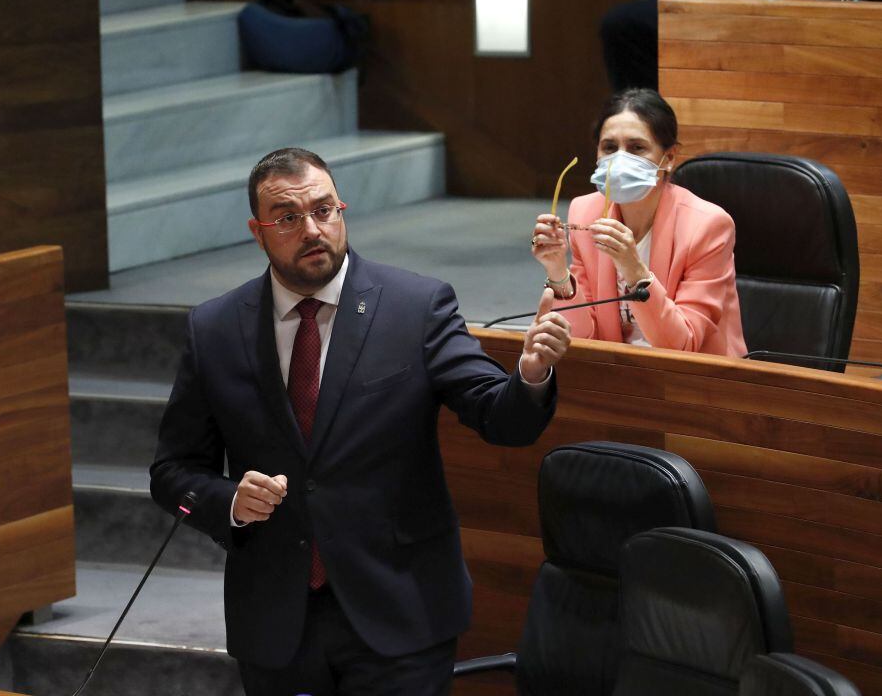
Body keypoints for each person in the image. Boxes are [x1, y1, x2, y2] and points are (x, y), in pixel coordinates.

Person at [150, 147, 571, 696]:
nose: (312, 229)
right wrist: (227, 501)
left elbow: (502, 420)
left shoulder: (415, 306)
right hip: (278, 625)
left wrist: (531, 375)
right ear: (257, 232)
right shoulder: (215, 329)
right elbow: (172, 474)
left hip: (399, 612)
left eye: (325, 210)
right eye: (288, 218)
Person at [531, 88, 747, 357]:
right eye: (609, 147)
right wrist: (557, 271)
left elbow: (683, 345)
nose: (620, 160)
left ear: (669, 158)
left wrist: (635, 271)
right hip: (618, 373)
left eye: (637, 148)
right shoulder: (584, 211)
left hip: (696, 379)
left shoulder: (708, 226)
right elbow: (585, 336)